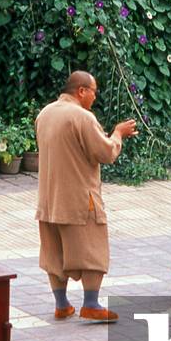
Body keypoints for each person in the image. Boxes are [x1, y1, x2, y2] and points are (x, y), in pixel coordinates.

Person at [36, 70, 138, 322]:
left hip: (49, 199)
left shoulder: (44, 114)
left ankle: (62, 305)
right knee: (93, 250)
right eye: (94, 91)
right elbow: (106, 153)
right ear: (81, 91)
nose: (95, 96)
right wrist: (118, 133)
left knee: (53, 253)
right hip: (80, 199)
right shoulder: (82, 117)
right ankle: (91, 304)